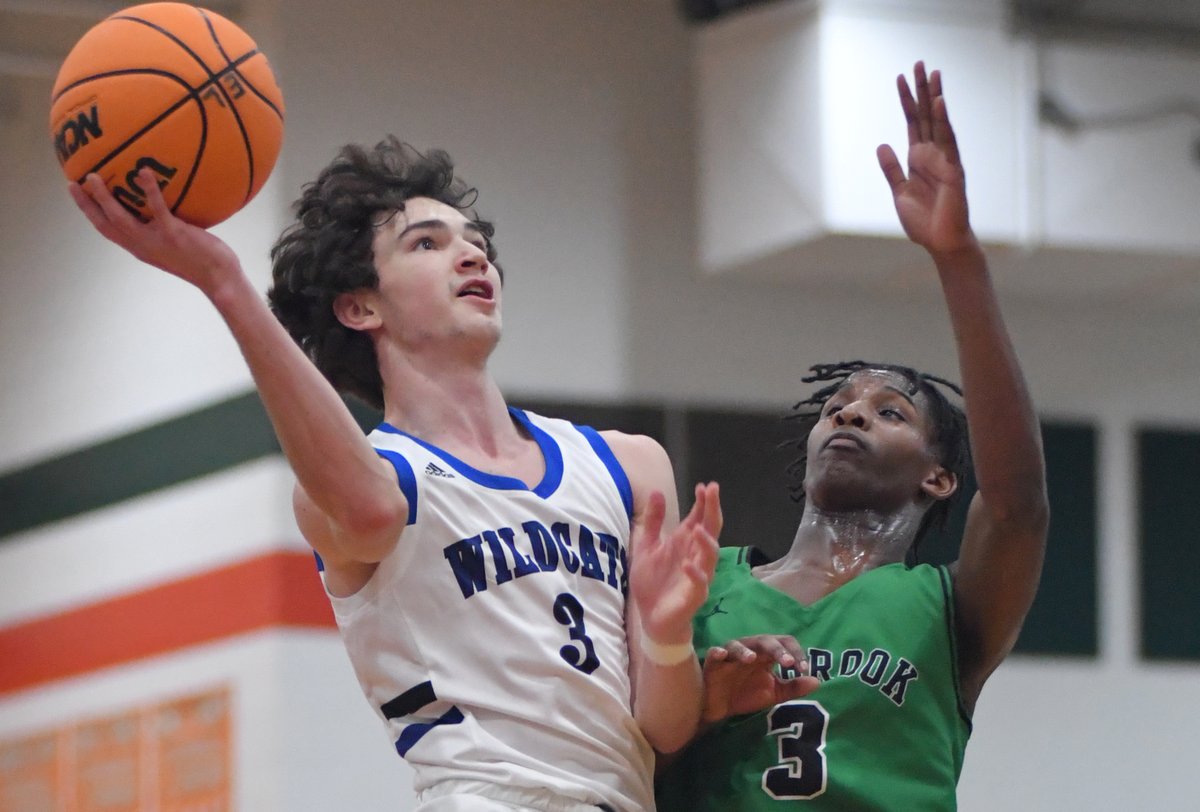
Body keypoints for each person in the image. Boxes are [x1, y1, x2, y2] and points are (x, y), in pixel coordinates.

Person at [69, 138, 722, 812]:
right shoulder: (381, 487)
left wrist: (668, 636)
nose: (473, 256)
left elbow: (663, 730)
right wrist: (225, 283)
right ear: (360, 307)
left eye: (476, 242)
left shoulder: (627, 464)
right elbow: (372, 513)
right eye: (427, 244)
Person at [655, 61, 1049, 811]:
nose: (851, 413)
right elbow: (631, 766)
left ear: (937, 478)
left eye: (891, 411)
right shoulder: (704, 589)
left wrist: (957, 260)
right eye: (837, 405)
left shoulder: (949, 607)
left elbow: (1019, 504)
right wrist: (702, 706)